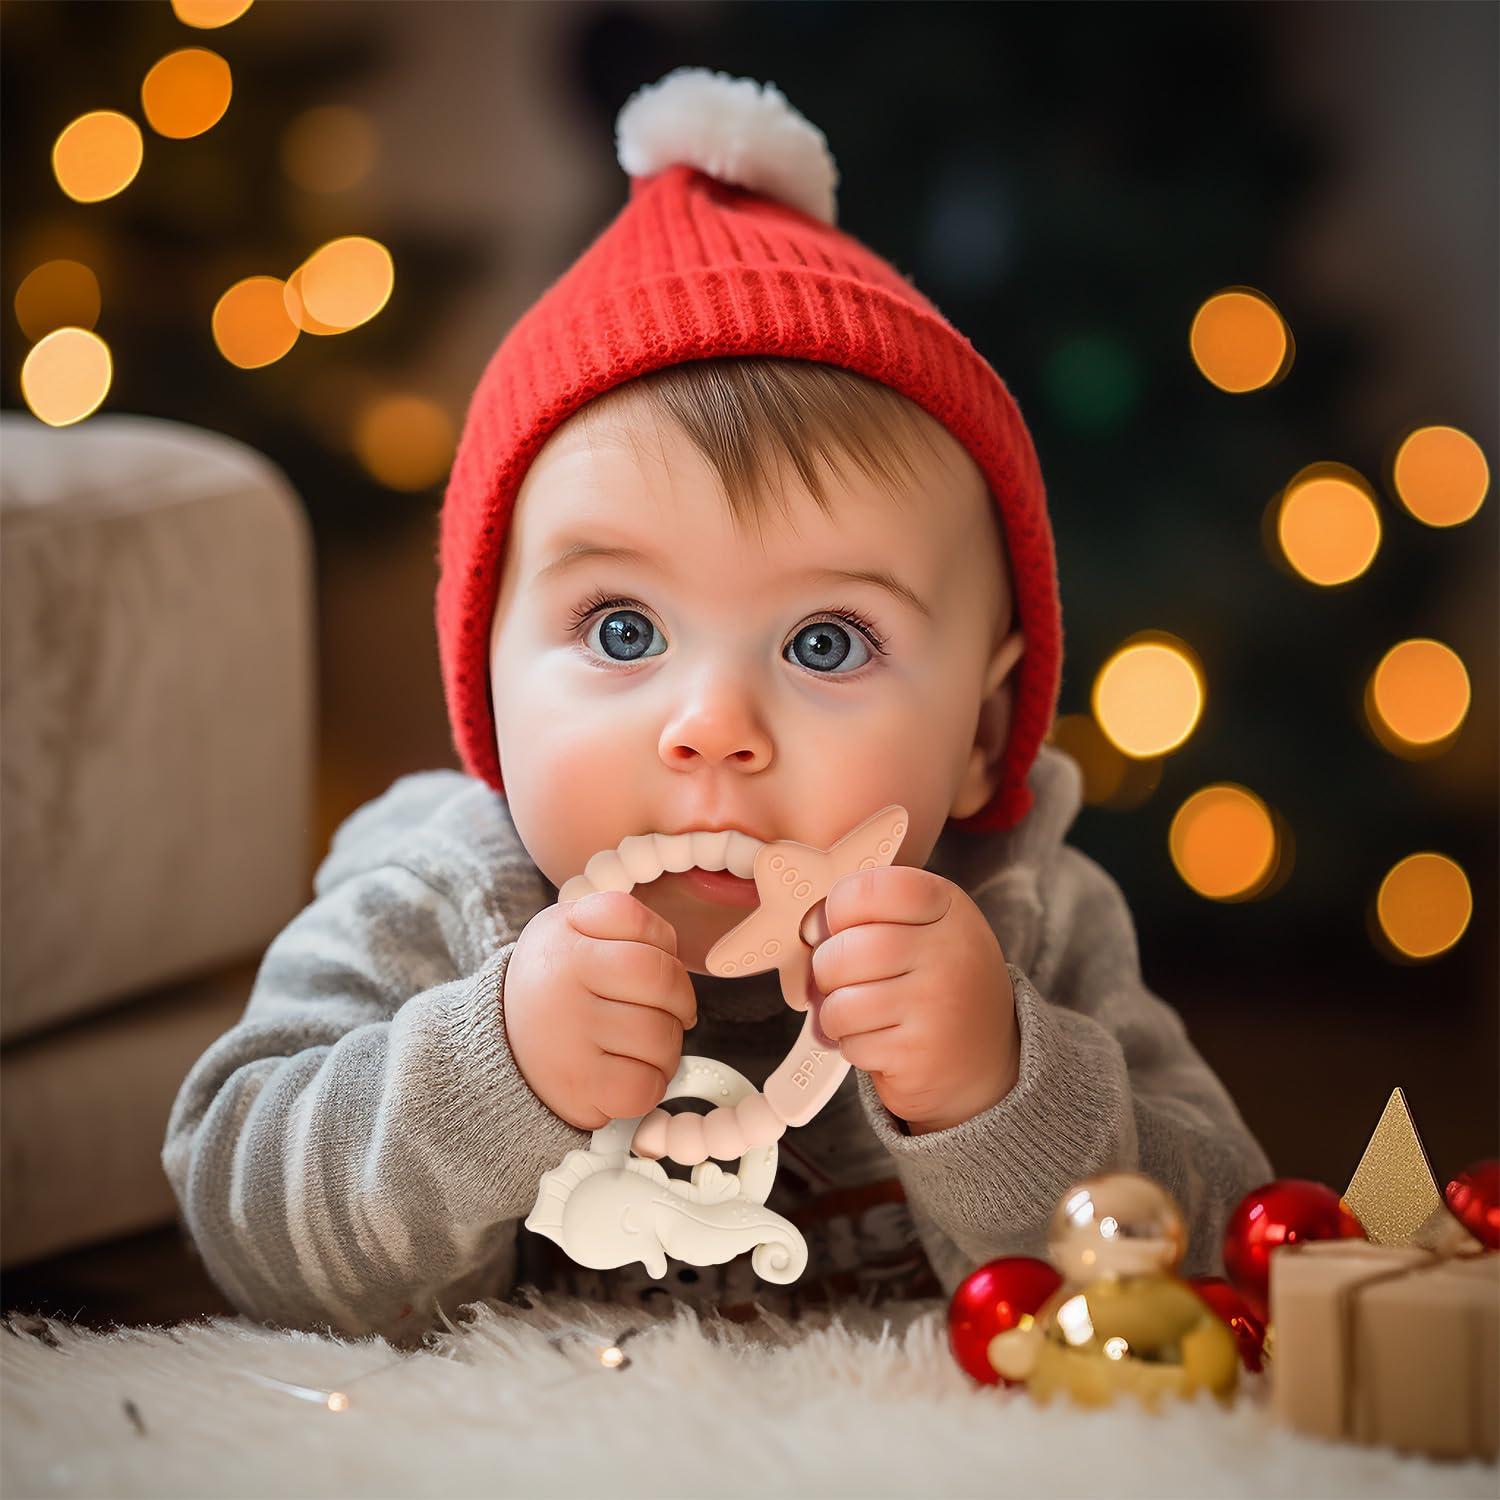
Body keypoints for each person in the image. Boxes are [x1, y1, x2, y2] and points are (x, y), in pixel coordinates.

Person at [163, 68, 1271, 1341]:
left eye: (826, 639)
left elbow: (1229, 1262)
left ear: (977, 735)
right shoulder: (442, 900)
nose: (715, 724)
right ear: (487, 690)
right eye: (623, 629)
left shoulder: (1023, 914)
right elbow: (242, 1231)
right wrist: (493, 1069)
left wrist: (1000, 1089)